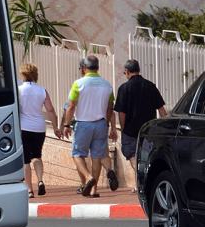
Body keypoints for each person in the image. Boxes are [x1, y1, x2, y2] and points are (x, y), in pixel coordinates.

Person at [59, 55, 117, 197]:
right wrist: (108, 124)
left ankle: (87, 177)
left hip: (83, 124)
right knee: (97, 156)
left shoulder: (78, 84)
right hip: (101, 124)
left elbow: (71, 106)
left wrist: (66, 124)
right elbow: (110, 108)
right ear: (98, 67)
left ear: (84, 68)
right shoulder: (107, 85)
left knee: (77, 154)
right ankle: (94, 189)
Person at [114, 59, 167, 178]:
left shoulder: (124, 88)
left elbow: (121, 112)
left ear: (127, 71)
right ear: (139, 70)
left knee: (132, 155)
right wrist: (166, 126)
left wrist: (122, 127)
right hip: (148, 130)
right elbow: (161, 109)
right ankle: (141, 181)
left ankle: (138, 181)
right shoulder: (150, 86)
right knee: (146, 155)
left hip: (130, 129)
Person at [18, 62, 59, 199]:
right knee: (37, 155)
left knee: (26, 160)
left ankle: (30, 190)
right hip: (39, 127)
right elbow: (50, 109)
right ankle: (40, 180)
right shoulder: (42, 90)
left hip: (24, 127)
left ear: (23, 74)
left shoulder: (19, 90)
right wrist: (55, 127)